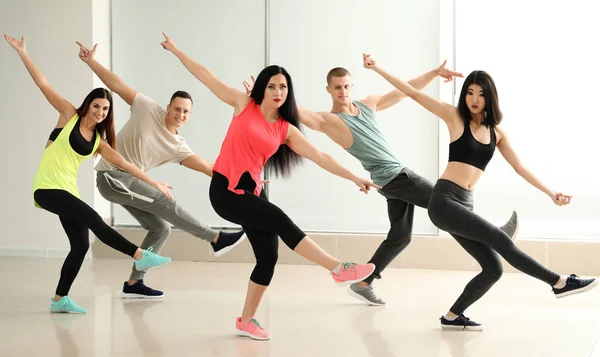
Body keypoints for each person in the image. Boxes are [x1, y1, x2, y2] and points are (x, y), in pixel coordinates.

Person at [242, 61, 518, 306]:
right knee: (445, 204)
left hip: (394, 179)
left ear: (352, 86)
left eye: (347, 86)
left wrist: (433, 73)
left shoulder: (368, 104)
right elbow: (290, 109)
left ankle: (363, 283)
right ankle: (495, 234)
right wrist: (261, 96)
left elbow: (405, 90)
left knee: (401, 236)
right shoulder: (328, 120)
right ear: (328, 89)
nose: (343, 92)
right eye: (337, 87)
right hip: (394, 177)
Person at [161, 32, 377, 340]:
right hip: (225, 191)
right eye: (273, 86)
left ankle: (246, 320)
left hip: (251, 194)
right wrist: (176, 50)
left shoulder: (285, 128)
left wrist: (353, 176)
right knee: (279, 218)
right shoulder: (242, 104)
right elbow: (206, 77)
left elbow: (319, 155)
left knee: (268, 256)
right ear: (263, 87)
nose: (278, 91)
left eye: (284, 87)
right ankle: (337, 268)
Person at [363, 53, 598, 330]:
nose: (474, 99)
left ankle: (452, 316)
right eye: (470, 93)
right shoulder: (454, 118)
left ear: (490, 98)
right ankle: (558, 282)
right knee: (500, 238)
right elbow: (412, 93)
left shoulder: (496, 133)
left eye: (481, 94)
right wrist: (378, 67)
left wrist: (550, 193)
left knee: (493, 269)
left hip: (465, 203)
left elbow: (519, 167)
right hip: (445, 200)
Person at [4, 34, 172, 314]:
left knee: (81, 245)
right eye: (96, 106)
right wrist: (23, 52)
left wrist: (155, 182)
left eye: (105, 109)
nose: (100, 112)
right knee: (94, 218)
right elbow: (43, 84)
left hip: (67, 191)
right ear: (88, 105)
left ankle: (59, 300)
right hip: (47, 188)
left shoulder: (98, 142)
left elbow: (126, 164)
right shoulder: (68, 115)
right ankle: (139, 255)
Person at [75, 42, 247, 300]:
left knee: (161, 228)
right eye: (177, 109)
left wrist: (241, 180)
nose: (180, 114)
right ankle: (215, 238)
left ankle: (134, 282)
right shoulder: (146, 108)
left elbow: (208, 168)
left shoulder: (177, 146)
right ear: (168, 107)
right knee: (164, 200)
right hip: (112, 176)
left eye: (186, 112)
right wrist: (91, 62)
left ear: (190, 116)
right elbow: (117, 85)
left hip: (128, 183)